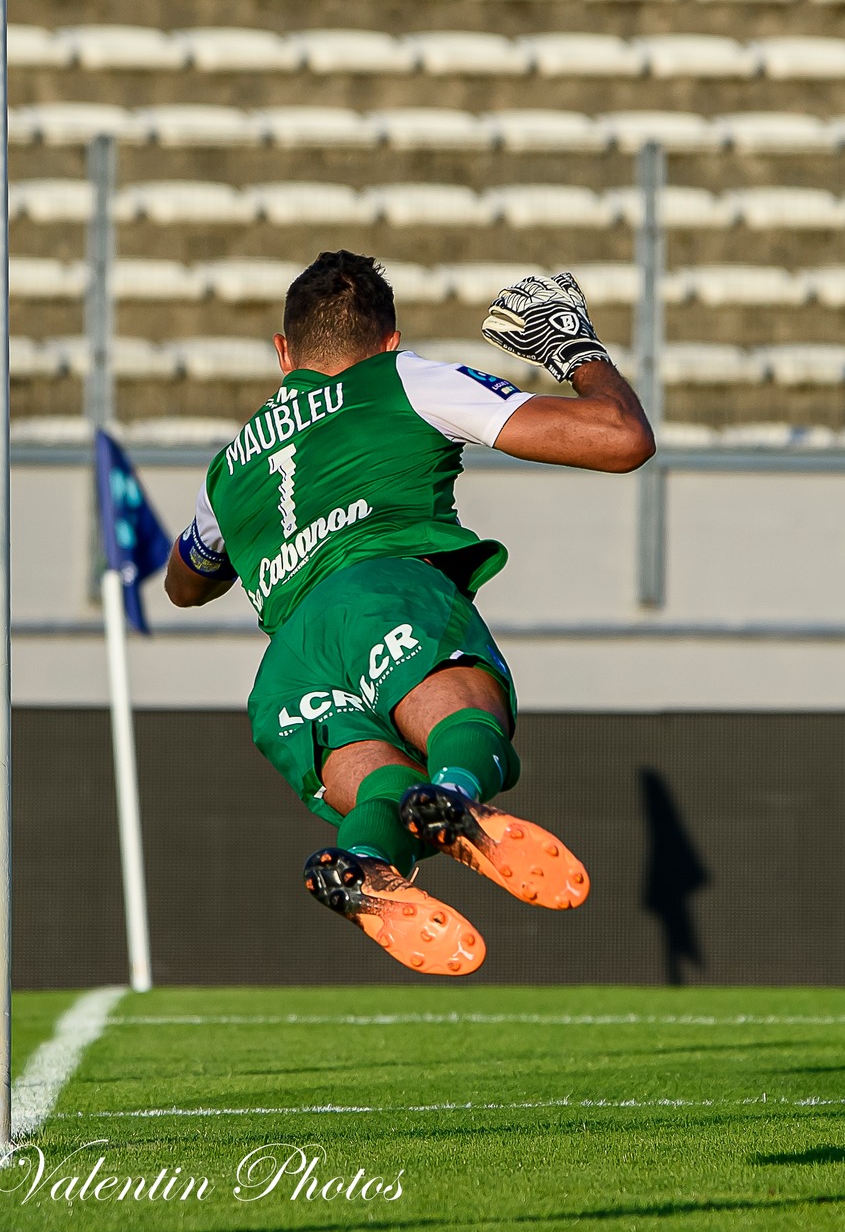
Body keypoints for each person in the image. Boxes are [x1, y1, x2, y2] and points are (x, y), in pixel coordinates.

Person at [163, 251, 655, 976]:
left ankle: (360, 862)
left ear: (283, 352)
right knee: (465, 718)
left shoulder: (231, 462)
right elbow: (621, 440)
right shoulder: (405, 378)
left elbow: (186, 583)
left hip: (289, 661)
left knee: (383, 786)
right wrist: (573, 347)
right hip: (384, 592)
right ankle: (456, 795)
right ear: (388, 340)